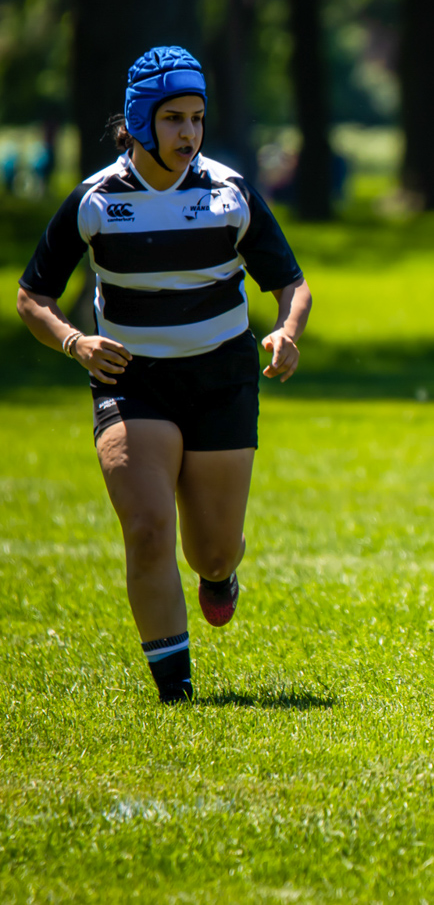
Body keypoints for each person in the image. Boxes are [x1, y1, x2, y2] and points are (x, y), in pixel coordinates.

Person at [13, 47, 311, 704]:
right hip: (132, 380)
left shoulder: (228, 193)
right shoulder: (94, 201)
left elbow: (291, 282)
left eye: (198, 119)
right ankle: (175, 693)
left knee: (213, 552)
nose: (189, 134)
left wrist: (287, 332)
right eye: (174, 118)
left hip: (222, 379)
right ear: (140, 122)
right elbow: (31, 295)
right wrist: (74, 341)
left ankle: (220, 573)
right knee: (148, 527)